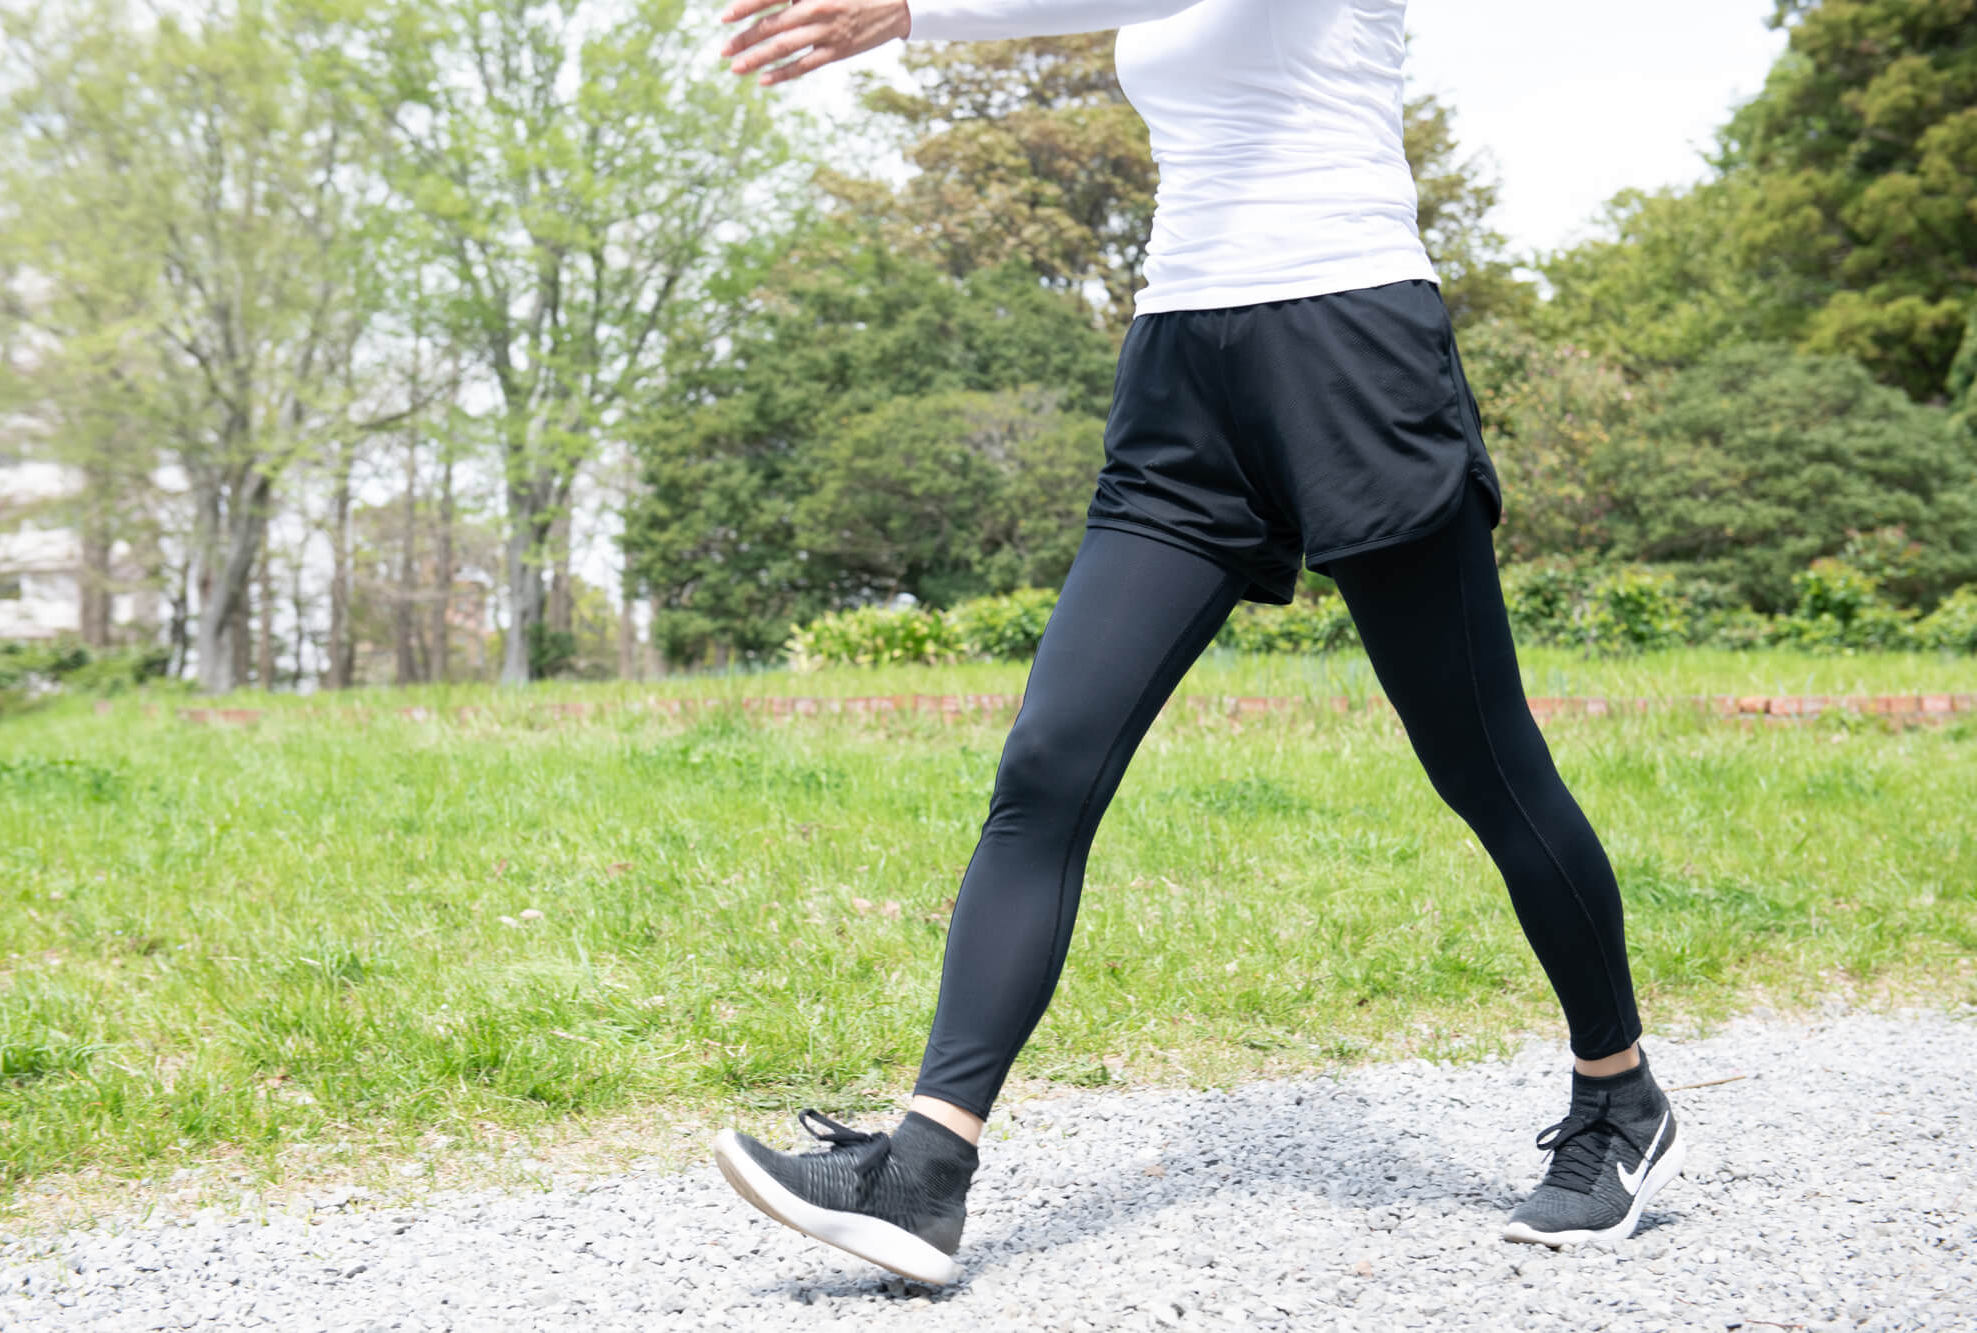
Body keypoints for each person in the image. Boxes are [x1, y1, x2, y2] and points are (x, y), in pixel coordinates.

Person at [708, 0, 1686, 1285]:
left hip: (1348, 342)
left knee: (1481, 763)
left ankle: (1618, 1095)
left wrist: (917, 9)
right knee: (1049, 758)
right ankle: (921, 1175)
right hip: (1184, 365)